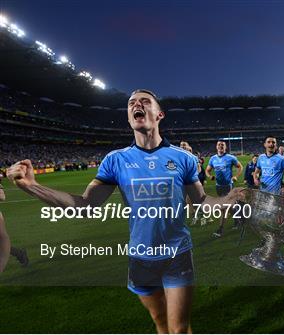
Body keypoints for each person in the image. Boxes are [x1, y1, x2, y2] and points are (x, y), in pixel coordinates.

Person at [7, 89, 243, 334]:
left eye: (144, 101)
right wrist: (32, 187)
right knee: (160, 321)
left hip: (178, 254)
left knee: (180, 329)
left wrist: (227, 200)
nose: (136, 105)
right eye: (131, 103)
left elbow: (202, 201)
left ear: (159, 114)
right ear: (129, 117)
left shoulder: (182, 158)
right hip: (141, 257)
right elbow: (85, 206)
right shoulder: (115, 160)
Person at [205, 140, 243, 237]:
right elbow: (207, 170)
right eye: (219, 144)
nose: (220, 146)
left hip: (228, 186)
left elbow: (240, 167)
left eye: (222, 145)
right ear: (216, 147)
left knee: (223, 207)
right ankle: (238, 220)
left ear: (225, 147)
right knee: (230, 206)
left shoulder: (231, 158)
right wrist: (210, 176)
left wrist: (236, 176)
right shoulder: (213, 159)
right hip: (219, 186)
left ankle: (220, 230)